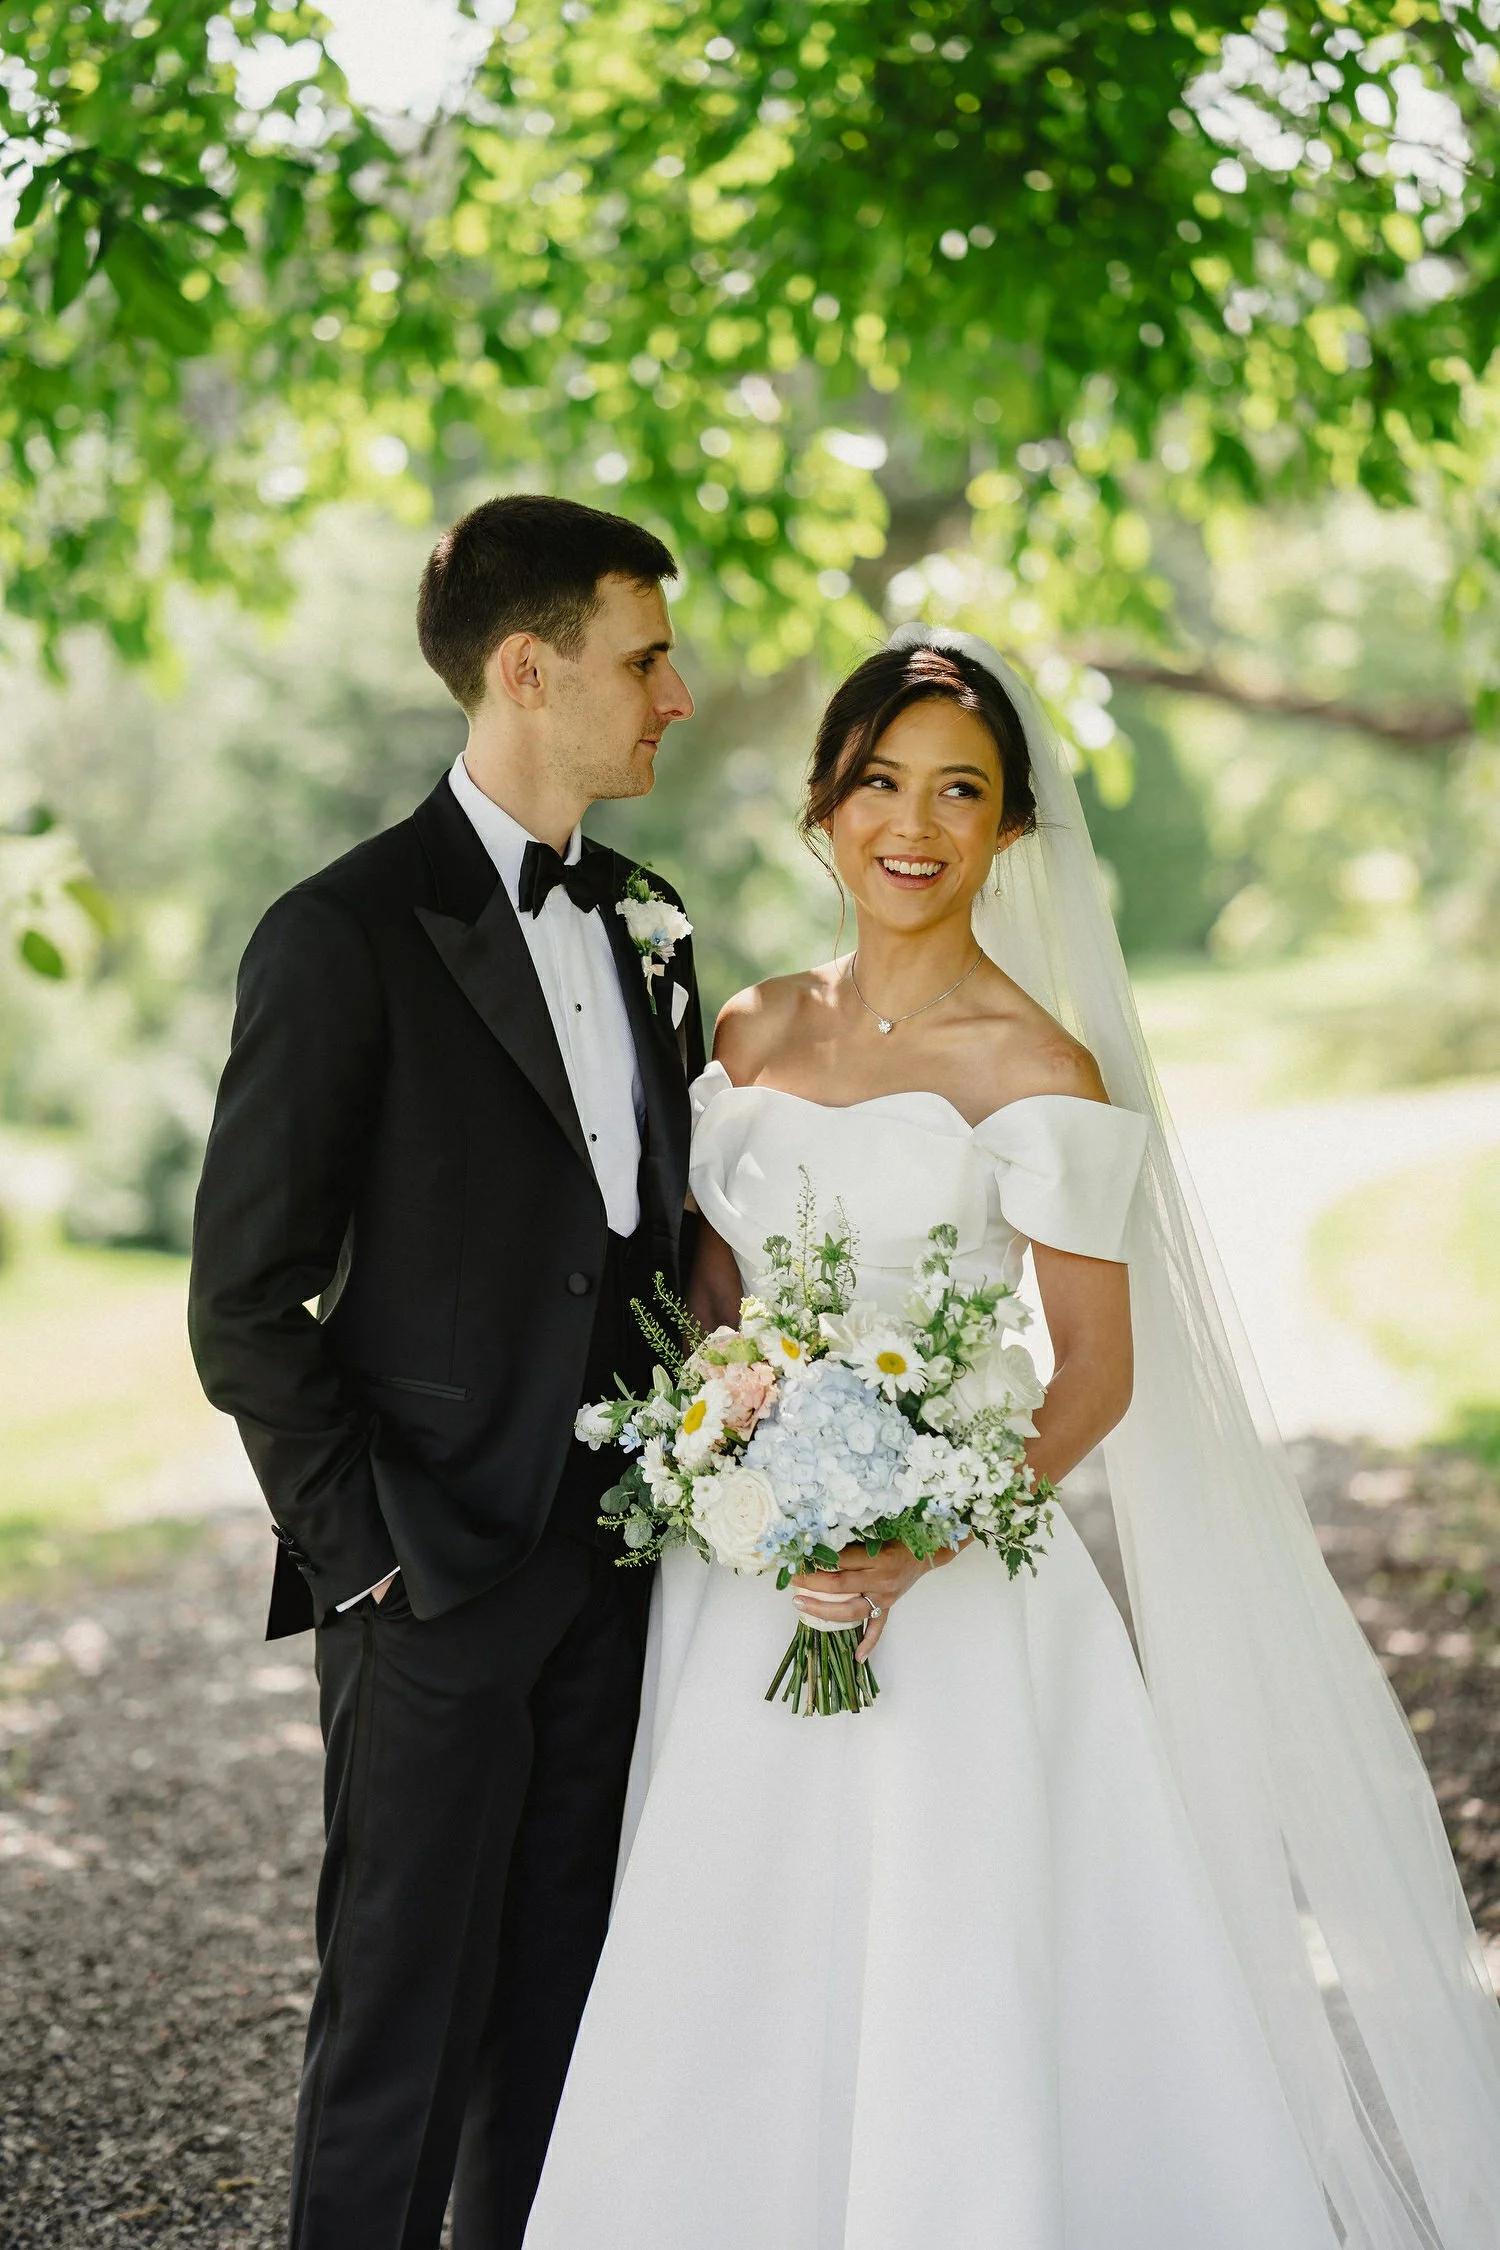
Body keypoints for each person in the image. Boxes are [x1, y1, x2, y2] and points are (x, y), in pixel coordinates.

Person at [523, 629, 1500, 2249]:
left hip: (961, 1599)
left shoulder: (1043, 1063)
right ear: (826, 806)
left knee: (949, 1957)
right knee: (735, 1946)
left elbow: (1093, 1376)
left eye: (961, 791)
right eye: (882, 782)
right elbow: (706, 1303)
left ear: (1010, 829)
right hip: (749, 1579)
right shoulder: (751, 1032)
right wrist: (733, 1446)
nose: (916, 822)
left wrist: (922, 1532)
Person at [187, 493, 701, 2250]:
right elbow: (243, 1302)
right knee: (398, 2024)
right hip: (428, 1574)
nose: (678, 695)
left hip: (624, 1568)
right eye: (645, 658)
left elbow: (653, 1245)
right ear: (527, 667)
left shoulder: (655, 924)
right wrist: (372, 1556)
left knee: (565, 2016)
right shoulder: (338, 936)